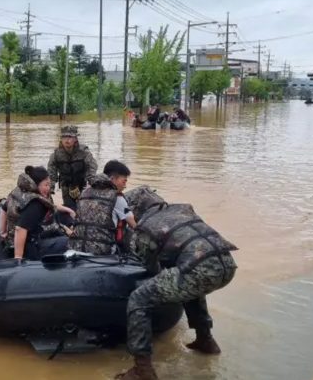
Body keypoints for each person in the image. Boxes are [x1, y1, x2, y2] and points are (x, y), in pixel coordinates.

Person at [114, 185, 238, 380]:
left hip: (200, 270)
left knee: (138, 299)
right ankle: (206, 340)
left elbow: (147, 265)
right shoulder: (180, 210)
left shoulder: (146, 226)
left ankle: (142, 370)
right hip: (227, 264)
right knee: (192, 285)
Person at [0, 166, 75, 260]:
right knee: (72, 241)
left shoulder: (19, 191)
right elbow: (20, 229)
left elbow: (3, 210)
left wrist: (2, 232)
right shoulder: (35, 205)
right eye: (46, 185)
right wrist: (18, 258)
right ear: (36, 185)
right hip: (31, 246)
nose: (49, 188)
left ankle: (68, 229)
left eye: (49, 184)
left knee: (63, 215)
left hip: (16, 238)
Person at [67, 160, 137, 255]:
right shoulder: (117, 197)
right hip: (101, 251)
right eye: (123, 181)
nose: (125, 186)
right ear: (112, 179)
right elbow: (134, 225)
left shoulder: (85, 192)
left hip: (75, 246)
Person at [47, 125, 98, 211]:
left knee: (84, 209)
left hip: (83, 185)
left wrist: (91, 182)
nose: (67, 140)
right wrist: (50, 189)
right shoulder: (56, 154)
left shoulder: (84, 152)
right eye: (64, 137)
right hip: (66, 186)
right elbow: (51, 174)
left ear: (75, 139)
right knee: (69, 209)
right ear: (61, 139)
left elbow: (92, 166)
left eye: (70, 137)